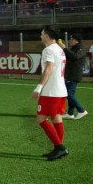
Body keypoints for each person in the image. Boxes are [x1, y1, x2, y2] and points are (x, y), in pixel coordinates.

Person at [31, 25, 68, 161]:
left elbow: (49, 69)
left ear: (46, 35)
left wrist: (39, 87)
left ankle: (60, 147)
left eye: (41, 34)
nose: (40, 36)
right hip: (60, 90)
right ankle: (57, 148)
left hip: (51, 91)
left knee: (41, 119)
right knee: (57, 118)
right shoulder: (59, 49)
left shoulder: (49, 50)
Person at [60, 34, 88, 120]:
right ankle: (70, 113)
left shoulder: (82, 47)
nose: (70, 41)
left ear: (76, 40)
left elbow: (75, 56)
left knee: (69, 94)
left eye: (71, 39)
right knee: (69, 93)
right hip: (69, 74)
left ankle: (81, 110)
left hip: (74, 74)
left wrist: (64, 48)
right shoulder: (74, 48)